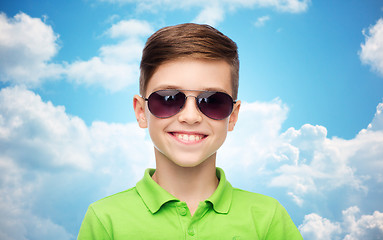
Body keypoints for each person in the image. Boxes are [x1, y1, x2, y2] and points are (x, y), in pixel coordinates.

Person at [77, 23, 303, 239]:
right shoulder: (105, 219)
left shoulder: (267, 217)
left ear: (233, 116)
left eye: (213, 100)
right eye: (168, 98)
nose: (190, 117)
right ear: (140, 111)